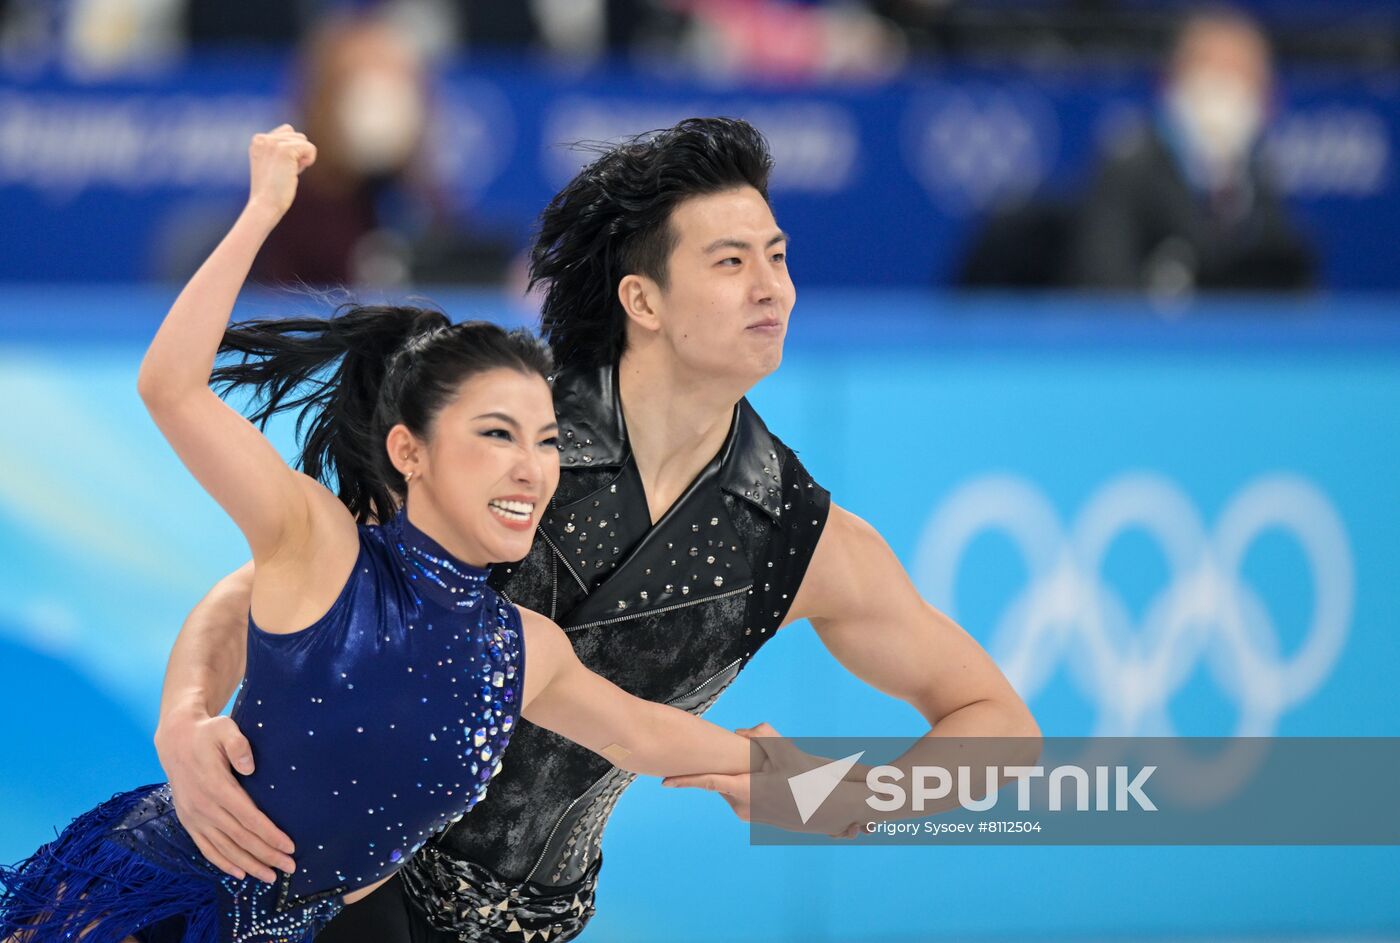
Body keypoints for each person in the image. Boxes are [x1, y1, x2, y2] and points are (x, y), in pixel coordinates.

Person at [156, 118, 1040, 943]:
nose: (771, 285)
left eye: (777, 256)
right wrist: (186, 718)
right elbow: (276, 580)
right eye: (731, 261)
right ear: (641, 299)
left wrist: (855, 799)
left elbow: (1002, 728)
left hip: (534, 923)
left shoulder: (801, 539)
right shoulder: (506, 432)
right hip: (339, 892)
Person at [0, 125, 769, 943]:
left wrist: (825, 790)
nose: (531, 469)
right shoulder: (322, 547)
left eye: (547, 441)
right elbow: (171, 389)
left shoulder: (525, 648)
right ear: (410, 451)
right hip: (149, 907)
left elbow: (647, 735)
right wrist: (262, 210)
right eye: (497, 435)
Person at [1071, 6, 1314, 295]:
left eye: (1240, 74)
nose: (1224, 89)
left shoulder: (1257, 174)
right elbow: (1105, 284)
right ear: (1172, 78)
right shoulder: (1128, 168)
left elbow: (1286, 284)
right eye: (1210, 69)